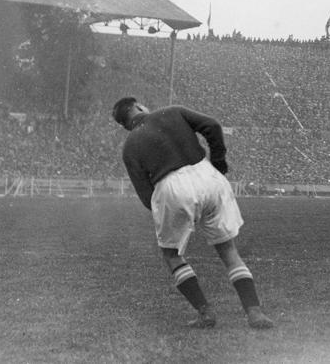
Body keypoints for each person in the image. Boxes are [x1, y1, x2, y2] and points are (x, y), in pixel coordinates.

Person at [111, 96, 272, 329]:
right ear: (138, 107)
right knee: (227, 249)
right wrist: (218, 162)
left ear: (125, 124)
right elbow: (213, 126)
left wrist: (167, 212)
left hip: (170, 186)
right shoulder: (172, 111)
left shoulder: (129, 146)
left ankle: (205, 312)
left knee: (171, 254)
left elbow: (146, 195)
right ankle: (254, 313)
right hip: (208, 176)